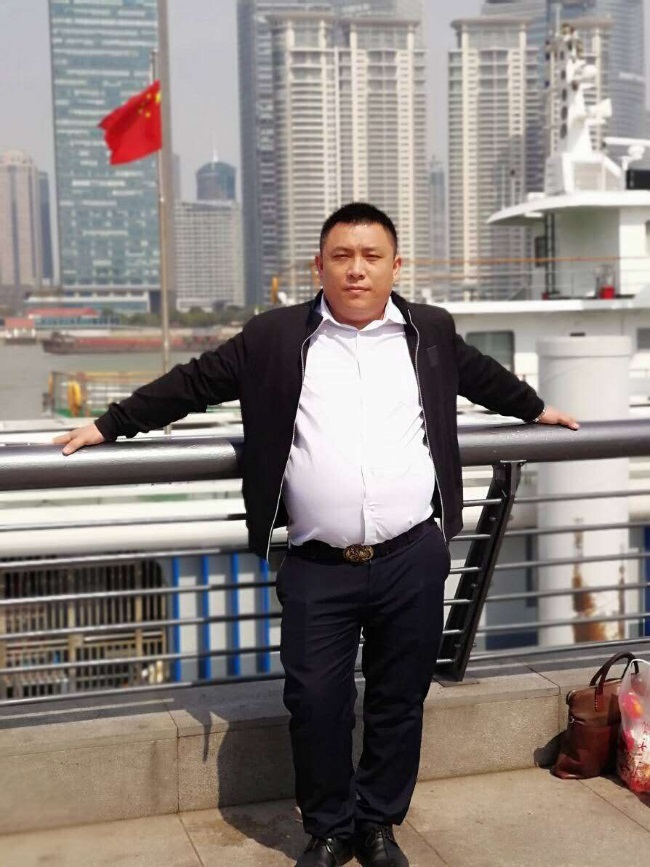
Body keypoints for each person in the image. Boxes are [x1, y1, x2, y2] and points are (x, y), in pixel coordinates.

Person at [55, 202, 578, 867]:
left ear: (395, 266)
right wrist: (110, 424)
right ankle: (329, 828)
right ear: (319, 266)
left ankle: (379, 824)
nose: (357, 269)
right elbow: (194, 382)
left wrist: (537, 408)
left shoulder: (429, 331)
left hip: (412, 555)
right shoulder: (275, 337)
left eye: (371, 256)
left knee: (398, 700)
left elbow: (482, 377)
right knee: (315, 702)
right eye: (342, 256)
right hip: (317, 564)